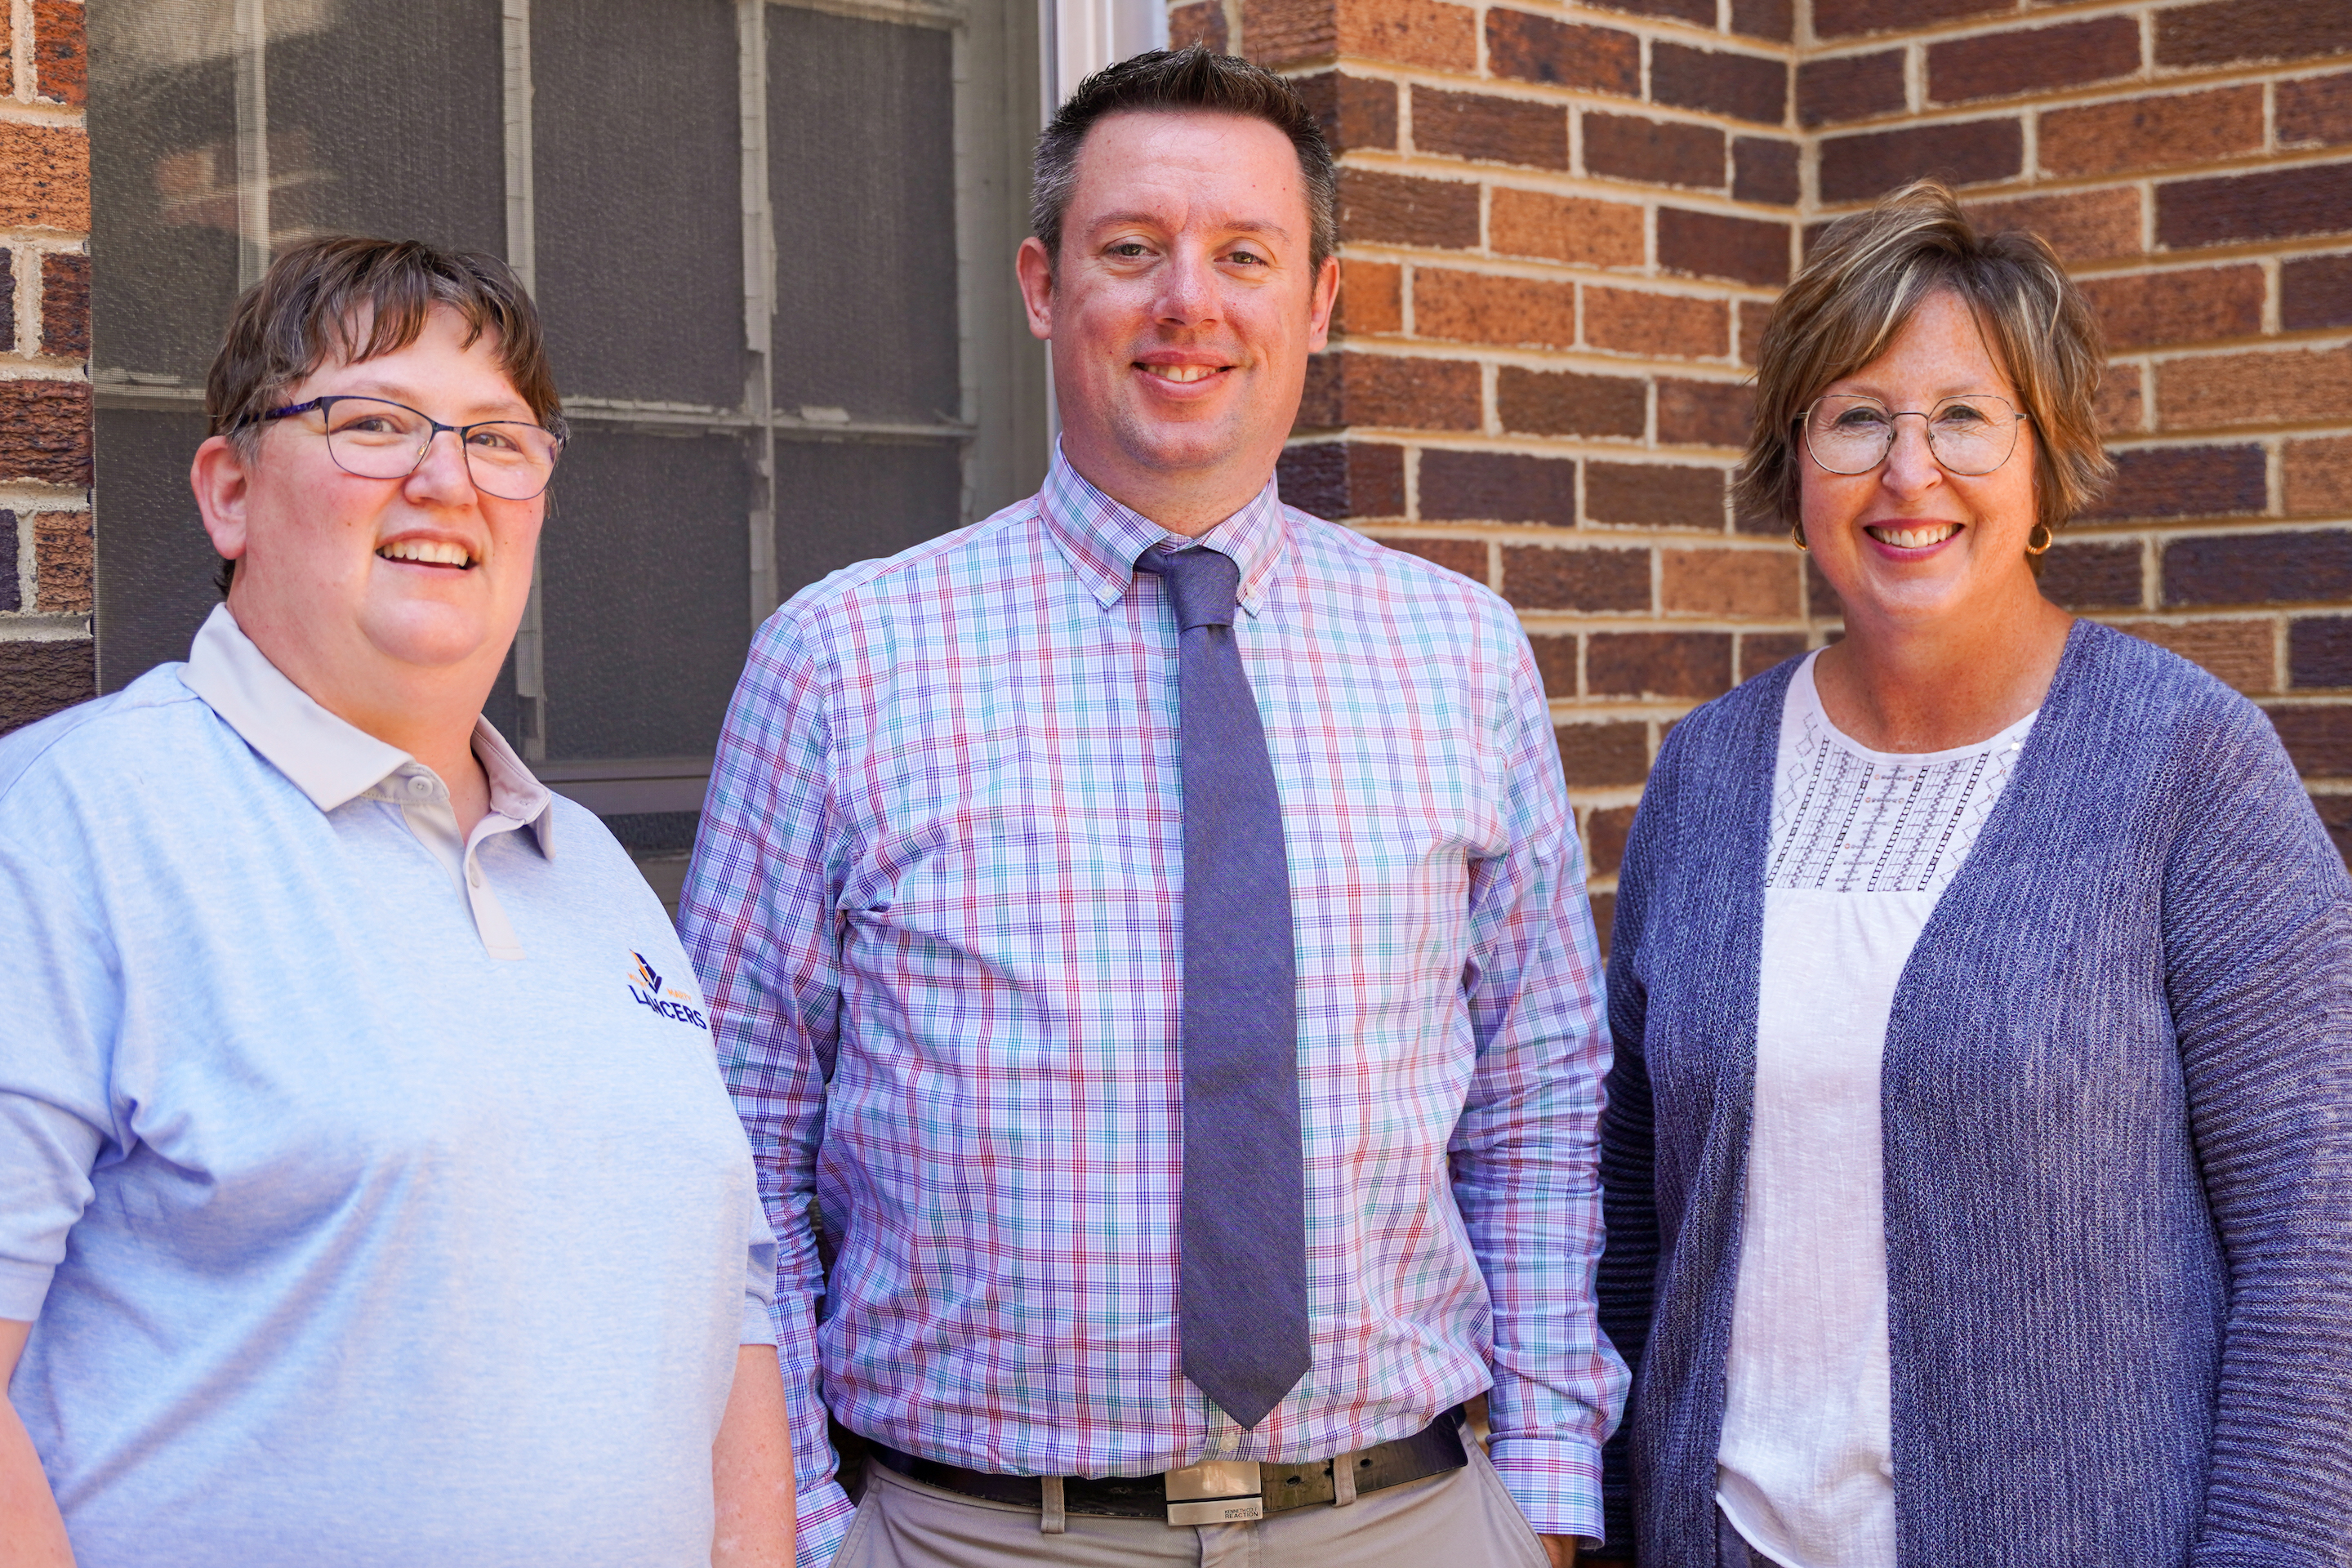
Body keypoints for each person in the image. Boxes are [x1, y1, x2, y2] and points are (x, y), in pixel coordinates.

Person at [681, 46, 1623, 1568]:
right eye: (1134, 252)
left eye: (1245, 254)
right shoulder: (844, 661)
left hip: (1407, 1520)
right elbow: (733, 1141)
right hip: (974, 1534)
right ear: (1046, 286)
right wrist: (795, 1522)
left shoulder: (1463, 655)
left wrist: (1553, 1497)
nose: (1190, 301)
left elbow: (1538, 1099)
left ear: (1318, 301)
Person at [1592, 179, 2352, 1567]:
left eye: (1962, 417)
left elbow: (2322, 1241)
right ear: (1794, 463)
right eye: (1857, 417)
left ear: (2044, 461)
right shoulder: (1705, 780)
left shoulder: (2185, 766)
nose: (1908, 471)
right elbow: (1633, 1222)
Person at [0, 238, 794, 1567]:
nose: (446, 479)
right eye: (372, 423)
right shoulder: (71, 826)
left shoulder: (593, 872)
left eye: (499, 438)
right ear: (230, 491)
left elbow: (735, 1329)